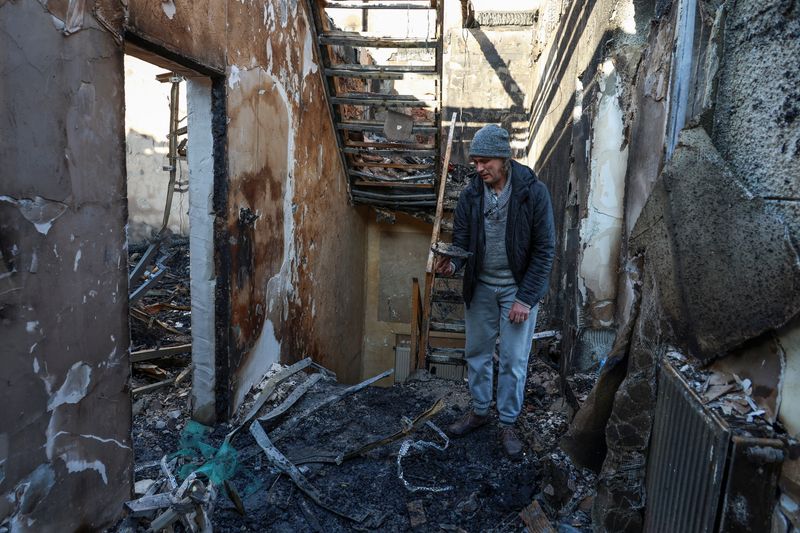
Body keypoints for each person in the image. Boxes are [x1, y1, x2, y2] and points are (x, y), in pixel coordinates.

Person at [436, 124, 555, 459]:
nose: (478, 168)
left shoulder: (532, 192)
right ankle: (478, 411)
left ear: (504, 157)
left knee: (515, 360)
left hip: (517, 289)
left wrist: (525, 299)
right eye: (475, 162)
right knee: (477, 354)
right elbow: (461, 243)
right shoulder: (471, 195)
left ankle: (507, 422)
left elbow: (545, 250)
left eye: (484, 161)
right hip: (482, 287)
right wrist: (453, 265)